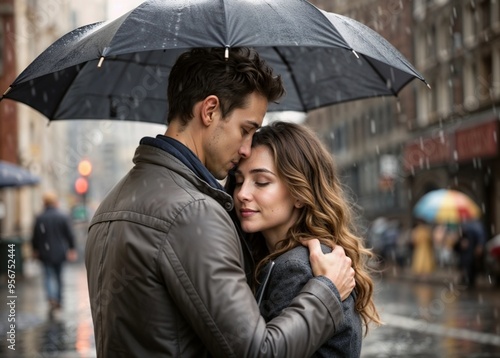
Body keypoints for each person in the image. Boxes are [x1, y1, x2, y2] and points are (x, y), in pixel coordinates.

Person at [85, 47, 355, 357]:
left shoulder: (109, 205)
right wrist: (327, 292)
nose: (245, 148)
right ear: (210, 110)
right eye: (246, 129)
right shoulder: (192, 212)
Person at [225, 121, 381, 357]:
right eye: (239, 181)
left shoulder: (297, 267)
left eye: (262, 182)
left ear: (299, 193)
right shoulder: (284, 258)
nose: (242, 194)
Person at [32, 192, 77, 312]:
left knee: (47, 276)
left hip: (45, 252)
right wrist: (72, 249)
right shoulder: (63, 216)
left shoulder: (40, 217)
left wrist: (35, 249)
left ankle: (51, 297)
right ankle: (59, 299)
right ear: (55, 202)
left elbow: (36, 236)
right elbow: (70, 235)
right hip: (60, 251)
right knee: (59, 276)